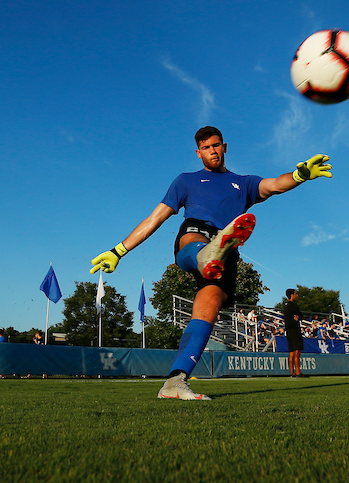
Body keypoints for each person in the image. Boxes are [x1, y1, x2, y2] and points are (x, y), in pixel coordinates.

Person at [90, 126, 331, 400]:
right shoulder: (186, 181)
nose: (212, 151)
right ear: (198, 152)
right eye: (206, 147)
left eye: (216, 145)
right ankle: (204, 255)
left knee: (206, 313)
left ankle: (174, 383)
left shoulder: (244, 183)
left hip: (226, 254)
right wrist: (119, 250)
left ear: (224, 147)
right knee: (193, 238)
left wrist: (300, 175)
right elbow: (155, 218)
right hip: (198, 232)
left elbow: (274, 184)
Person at [283, 289, 303, 377]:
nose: (297, 295)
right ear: (292, 295)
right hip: (294, 329)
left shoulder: (285, 305)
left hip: (288, 330)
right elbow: (300, 315)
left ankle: (292, 372)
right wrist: (297, 319)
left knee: (291, 351)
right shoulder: (293, 305)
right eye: (295, 294)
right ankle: (298, 372)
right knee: (297, 350)